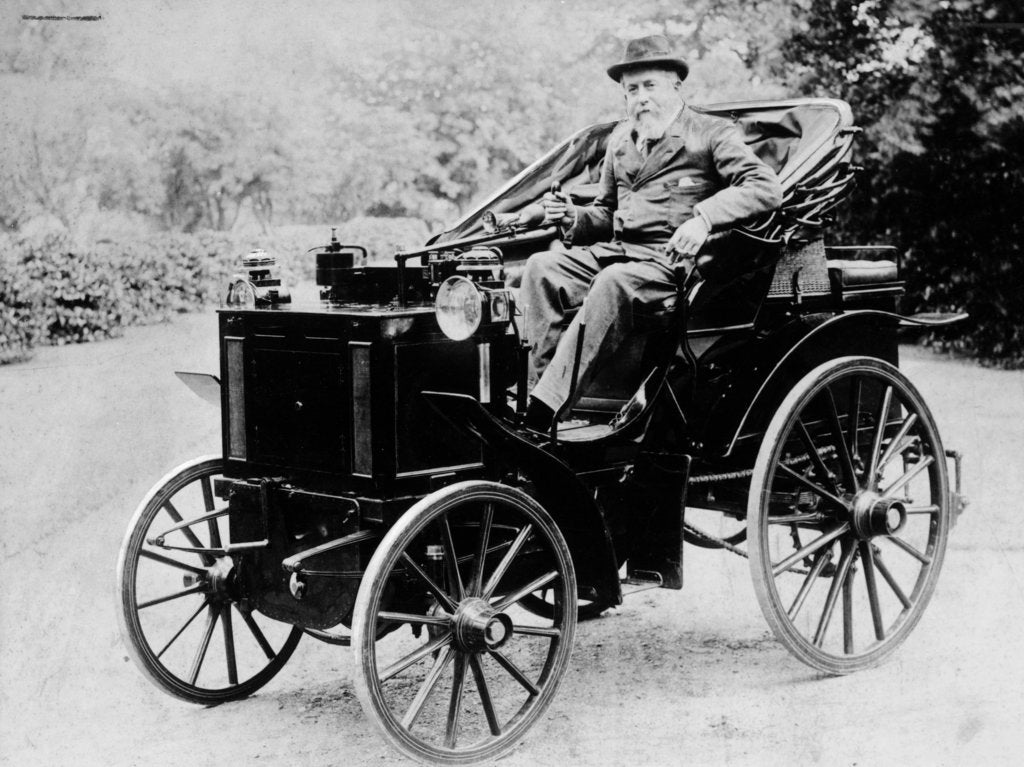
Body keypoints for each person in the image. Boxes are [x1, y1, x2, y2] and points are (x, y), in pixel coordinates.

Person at [519, 34, 783, 431]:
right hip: (620, 254)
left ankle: (544, 412)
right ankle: (532, 398)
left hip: (675, 265)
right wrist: (572, 216)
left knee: (614, 281)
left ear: (675, 85)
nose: (641, 98)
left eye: (649, 86)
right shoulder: (620, 142)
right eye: (632, 90)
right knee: (541, 268)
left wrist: (704, 218)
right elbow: (606, 213)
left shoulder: (711, 133)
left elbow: (765, 187)